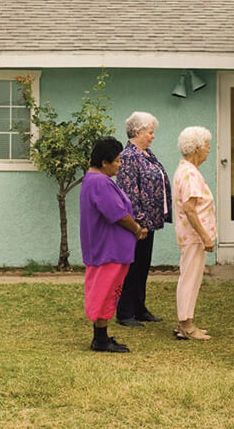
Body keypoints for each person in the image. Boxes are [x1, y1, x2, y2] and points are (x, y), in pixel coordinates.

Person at [79, 137, 148, 353]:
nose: (120, 165)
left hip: (109, 248)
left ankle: (102, 336)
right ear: (104, 162)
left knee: (108, 292)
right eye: (117, 161)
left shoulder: (94, 180)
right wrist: (136, 229)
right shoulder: (99, 182)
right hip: (108, 250)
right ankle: (100, 340)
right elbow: (117, 214)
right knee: (105, 292)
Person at [115, 111, 172, 327]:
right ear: (137, 132)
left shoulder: (146, 153)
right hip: (139, 224)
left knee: (142, 265)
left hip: (150, 222)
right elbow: (129, 192)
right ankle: (125, 312)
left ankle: (139, 308)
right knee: (133, 266)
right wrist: (139, 223)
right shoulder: (130, 156)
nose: (153, 136)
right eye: (150, 132)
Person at [172, 126, 217, 341]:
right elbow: (190, 208)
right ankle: (186, 326)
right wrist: (205, 236)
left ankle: (185, 322)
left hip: (190, 236)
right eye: (207, 145)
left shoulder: (187, 169)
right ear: (197, 148)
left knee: (190, 276)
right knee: (190, 277)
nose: (209, 149)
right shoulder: (189, 173)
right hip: (193, 236)